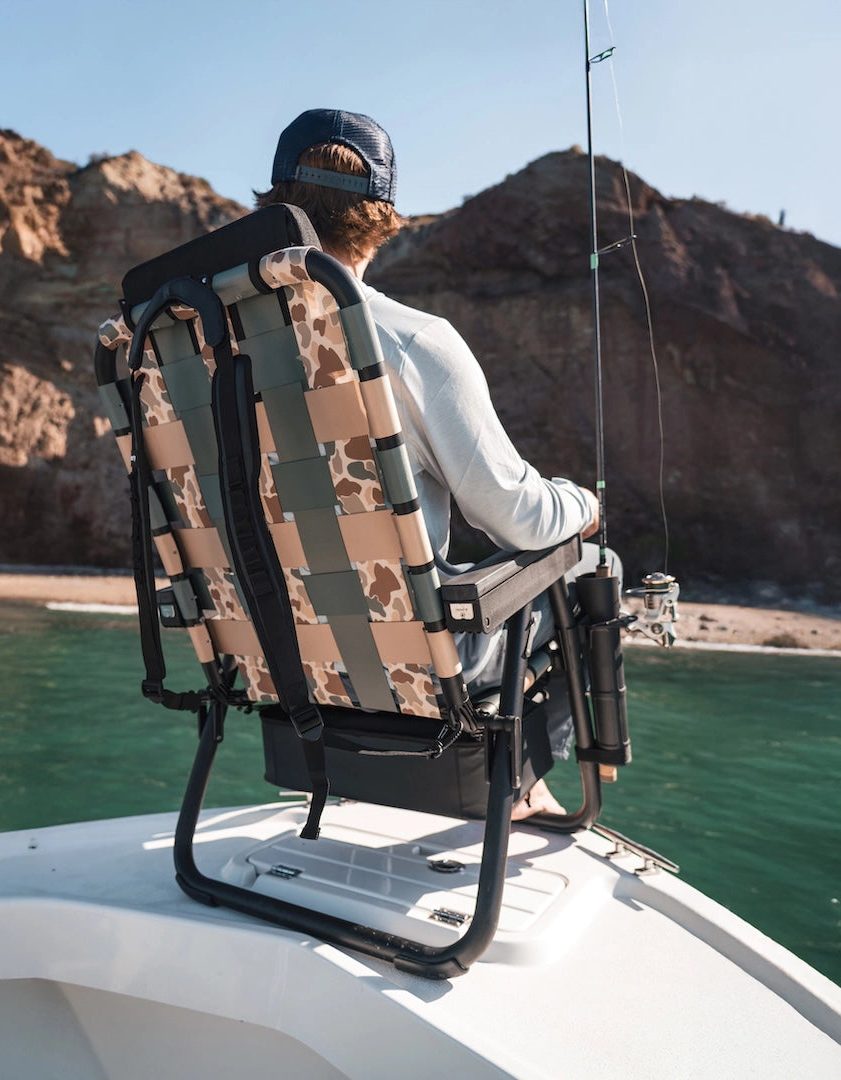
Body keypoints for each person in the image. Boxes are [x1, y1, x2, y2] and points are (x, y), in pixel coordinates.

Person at [256, 109, 616, 817]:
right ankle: (525, 787)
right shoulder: (410, 341)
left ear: (274, 205)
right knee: (589, 567)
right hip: (408, 667)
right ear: (384, 217)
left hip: (274, 658)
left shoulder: (207, 350)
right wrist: (584, 503)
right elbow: (515, 515)